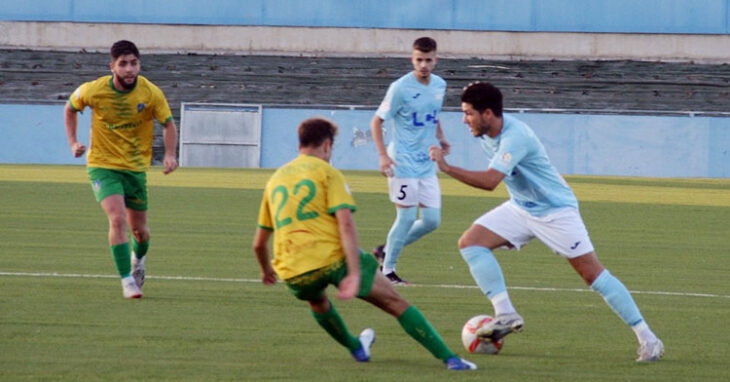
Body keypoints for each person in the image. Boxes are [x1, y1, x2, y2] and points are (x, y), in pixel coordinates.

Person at [428, 82, 664, 362]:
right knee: (471, 243)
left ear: (488, 113)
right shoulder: (486, 131)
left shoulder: (515, 137)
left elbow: (491, 182)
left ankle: (648, 339)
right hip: (521, 208)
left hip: (556, 212)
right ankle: (505, 313)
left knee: (594, 276)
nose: (464, 119)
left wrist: (447, 168)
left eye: (468, 113)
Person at [252, 117, 476, 370]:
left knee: (317, 302)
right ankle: (451, 359)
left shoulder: (275, 180)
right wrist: (354, 274)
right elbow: (345, 224)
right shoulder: (328, 173)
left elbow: (259, 244)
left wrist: (266, 270)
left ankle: (357, 348)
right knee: (396, 304)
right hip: (333, 259)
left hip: (293, 269)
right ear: (327, 145)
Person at [64, 40, 178, 299]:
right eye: (123, 64)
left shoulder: (150, 93)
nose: (129, 69)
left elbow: (168, 124)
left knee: (141, 232)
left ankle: (138, 260)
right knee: (117, 218)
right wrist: (73, 142)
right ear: (112, 67)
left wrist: (170, 155)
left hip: (135, 168)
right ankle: (127, 279)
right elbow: (70, 108)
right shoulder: (94, 90)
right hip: (103, 166)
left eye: (134, 63)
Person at [370, 37, 449, 285]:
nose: (424, 64)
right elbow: (377, 121)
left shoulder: (440, 85)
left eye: (428, 60)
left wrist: (441, 137)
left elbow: (432, 114)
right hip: (402, 162)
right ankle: (388, 271)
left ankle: (385, 249)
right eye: (419, 60)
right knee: (405, 218)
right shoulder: (400, 88)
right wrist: (383, 155)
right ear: (412, 59)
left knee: (431, 221)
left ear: (436, 59)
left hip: (426, 162)